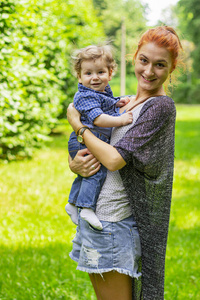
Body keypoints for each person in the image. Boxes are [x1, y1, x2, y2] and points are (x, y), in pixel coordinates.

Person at [67, 26, 183, 300]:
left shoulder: (160, 107)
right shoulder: (124, 103)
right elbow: (94, 145)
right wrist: (75, 164)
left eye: (160, 64)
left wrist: (77, 127)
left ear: (172, 67)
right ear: (134, 58)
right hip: (96, 221)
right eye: (144, 60)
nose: (149, 71)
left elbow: (114, 159)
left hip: (113, 223)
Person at [65, 45, 133, 230]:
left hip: (91, 137)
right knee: (97, 171)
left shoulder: (101, 92)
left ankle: (72, 203)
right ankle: (87, 208)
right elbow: (98, 118)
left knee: (87, 173)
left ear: (110, 73)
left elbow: (105, 104)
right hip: (86, 137)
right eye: (88, 73)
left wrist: (117, 102)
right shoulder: (85, 95)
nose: (95, 77)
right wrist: (120, 119)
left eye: (100, 72)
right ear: (79, 76)